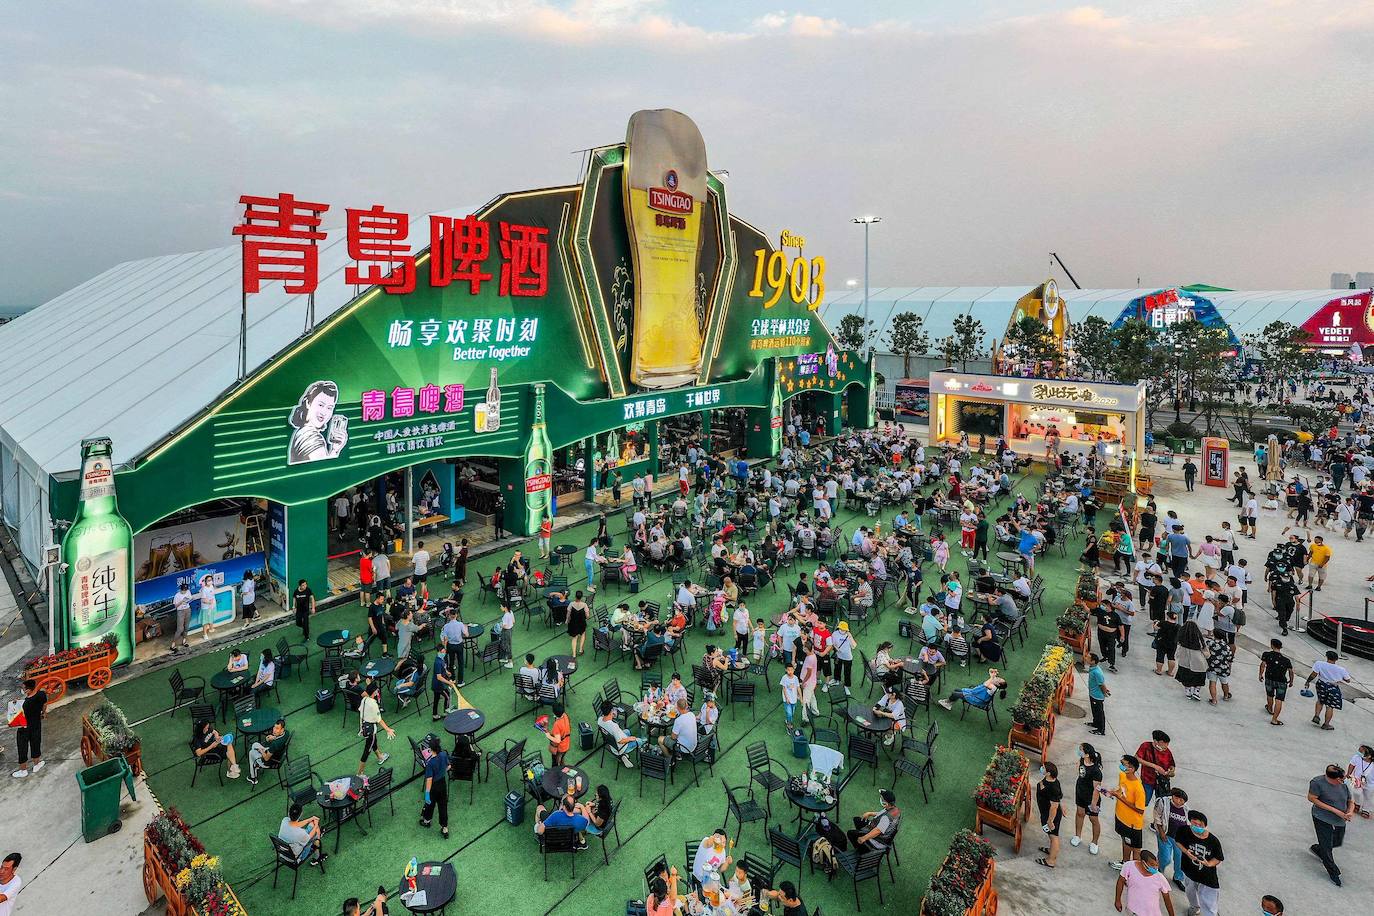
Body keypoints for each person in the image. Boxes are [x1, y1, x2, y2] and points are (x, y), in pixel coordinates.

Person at [1307, 763, 1354, 886]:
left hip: (1340, 819)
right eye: (1341, 779)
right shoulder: (1317, 783)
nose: (1343, 781)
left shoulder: (1344, 784)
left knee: (1337, 841)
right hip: (1322, 818)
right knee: (1327, 847)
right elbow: (1311, 798)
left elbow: (1350, 800)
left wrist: (1349, 811)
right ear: (1333, 778)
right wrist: (1335, 810)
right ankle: (1333, 872)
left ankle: (1319, 849)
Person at [1177, 811, 1223, 916]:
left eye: (1200, 825)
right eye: (1194, 824)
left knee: (1209, 903)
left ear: (1205, 825)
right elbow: (1178, 842)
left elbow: (1218, 858)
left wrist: (1208, 864)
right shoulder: (1183, 830)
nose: (1196, 826)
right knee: (1190, 892)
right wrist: (1186, 852)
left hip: (1207, 877)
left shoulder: (1213, 841)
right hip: (1189, 871)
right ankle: (1194, 908)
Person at [1109, 754, 1147, 870]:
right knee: (1125, 841)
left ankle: (1134, 871)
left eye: (1123, 764)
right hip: (1121, 817)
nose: (1121, 766)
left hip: (1132, 824)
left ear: (1132, 769)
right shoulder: (1122, 775)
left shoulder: (1138, 789)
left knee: (1135, 849)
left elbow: (1140, 810)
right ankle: (1125, 863)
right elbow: (1121, 790)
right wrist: (1112, 792)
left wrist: (1119, 798)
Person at [1114, 850, 1174, 916]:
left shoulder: (1160, 878)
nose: (1155, 867)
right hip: (1132, 911)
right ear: (1143, 862)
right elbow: (1120, 881)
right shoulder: (1129, 866)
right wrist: (1117, 900)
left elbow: (1167, 899)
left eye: (1156, 865)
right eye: (1152, 865)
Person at [1304, 649, 1353, 730]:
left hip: (1321, 684)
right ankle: (1326, 724)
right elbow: (1348, 680)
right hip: (1333, 687)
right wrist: (1341, 678)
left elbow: (1314, 674)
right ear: (1336, 659)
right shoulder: (1341, 669)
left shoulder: (1319, 663)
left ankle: (1316, 716)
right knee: (1330, 706)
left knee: (1320, 700)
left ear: (1327, 657)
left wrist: (1307, 681)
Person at [1071, 743, 1104, 855]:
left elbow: (1096, 789)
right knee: (1080, 813)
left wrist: (1093, 804)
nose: (1079, 751)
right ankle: (1077, 836)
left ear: (1087, 753)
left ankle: (1094, 842)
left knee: (1093, 819)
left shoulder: (1096, 771)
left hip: (1091, 798)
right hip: (1080, 793)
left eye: (1081, 750)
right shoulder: (1081, 761)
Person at [355, 683, 394, 777]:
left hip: (364, 726)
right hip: (370, 730)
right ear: (374, 692)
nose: (378, 691)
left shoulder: (364, 699)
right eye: (376, 690)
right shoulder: (373, 704)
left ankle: (380, 757)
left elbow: (361, 712)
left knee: (373, 742)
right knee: (366, 751)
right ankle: (359, 774)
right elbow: (379, 719)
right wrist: (388, 729)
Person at [10, 679, 46, 778]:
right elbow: (44, 705)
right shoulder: (41, 695)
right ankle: (36, 765)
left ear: (28, 690)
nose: (23, 690)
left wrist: (15, 703)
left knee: (22, 747)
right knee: (36, 743)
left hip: (24, 728)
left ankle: (23, 770)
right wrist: (43, 713)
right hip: (36, 724)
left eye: (24, 688)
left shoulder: (25, 704)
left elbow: (18, 715)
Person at [847, 788, 901, 853]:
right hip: (880, 830)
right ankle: (861, 834)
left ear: (886, 803)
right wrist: (870, 813)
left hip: (878, 840)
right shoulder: (895, 809)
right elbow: (882, 814)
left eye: (882, 799)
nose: (880, 799)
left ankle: (862, 851)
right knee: (857, 820)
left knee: (850, 833)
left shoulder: (886, 818)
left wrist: (864, 838)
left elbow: (877, 831)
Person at [419, 734, 451, 838]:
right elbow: (448, 766)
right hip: (442, 783)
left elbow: (429, 780)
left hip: (433, 786)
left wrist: (427, 793)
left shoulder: (430, 763)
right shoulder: (443, 754)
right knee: (443, 806)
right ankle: (445, 828)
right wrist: (441, 772)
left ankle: (427, 820)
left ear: (431, 749)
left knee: (430, 804)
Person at [1258, 639, 1294, 726]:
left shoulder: (1266, 654)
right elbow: (1291, 671)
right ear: (1280, 647)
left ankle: (1270, 709)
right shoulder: (1286, 660)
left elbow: (1263, 664)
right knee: (1279, 700)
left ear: (1272, 645)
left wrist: (1260, 674)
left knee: (1270, 695)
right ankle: (1274, 719)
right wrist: (1291, 681)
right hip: (1281, 681)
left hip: (1269, 679)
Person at [1035, 761, 1064, 868]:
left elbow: (1054, 805)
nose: (1041, 768)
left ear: (1048, 773)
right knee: (1051, 835)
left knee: (1054, 836)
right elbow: (1058, 799)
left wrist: (1050, 820)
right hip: (1046, 813)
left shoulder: (1053, 787)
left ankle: (1051, 861)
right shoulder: (1052, 781)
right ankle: (1051, 850)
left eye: (1043, 768)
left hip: (1051, 815)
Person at [937, 669, 1007, 711]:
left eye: (999, 680)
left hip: (977, 699)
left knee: (955, 693)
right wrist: (992, 674)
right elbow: (990, 671)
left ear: (998, 684)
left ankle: (948, 703)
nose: (997, 678)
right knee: (956, 690)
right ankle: (950, 703)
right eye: (999, 678)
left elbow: (985, 684)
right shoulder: (993, 684)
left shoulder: (993, 687)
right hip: (976, 694)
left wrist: (992, 677)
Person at [1135, 731, 1175, 805]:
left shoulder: (1167, 751)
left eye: (1167, 743)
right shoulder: (1146, 746)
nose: (1166, 745)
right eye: (1164, 743)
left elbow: (1172, 764)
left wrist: (1171, 770)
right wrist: (1155, 766)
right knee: (1144, 801)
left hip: (1162, 782)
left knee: (1162, 803)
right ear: (1156, 741)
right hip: (1148, 780)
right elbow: (1137, 758)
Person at [245, 717, 288, 785]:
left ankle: (253, 777)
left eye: (277, 728)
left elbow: (266, 758)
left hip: (270, 762)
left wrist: (261, 751)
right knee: (255, 744)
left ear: (282, 729)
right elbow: (278, 738)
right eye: (274, 727)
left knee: (251, 753)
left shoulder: (275, 744)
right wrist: (274, 737)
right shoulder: (286, 733)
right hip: (277, 754)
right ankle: (256, 765)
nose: (274, 730)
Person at [597, 702, 641, 768]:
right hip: (620, 748)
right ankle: (622, 754)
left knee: (627, 731)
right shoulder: (614, 726)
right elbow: (620, 741)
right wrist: (630, 739)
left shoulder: (599, 720)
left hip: (612, 743)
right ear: (611, 711)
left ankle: (623, 756)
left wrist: (611, 716)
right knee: (639, 740)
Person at [440, 609, 467, 689]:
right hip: (459, 645)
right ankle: (460, 681)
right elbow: (466, 634)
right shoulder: (460, 624)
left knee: (451, 663)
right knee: (460, 662)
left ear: (449, 616)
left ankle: (452, 679)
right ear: (456, 615)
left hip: (450, 645)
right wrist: (465, 628)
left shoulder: (446, 626)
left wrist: (445, 648)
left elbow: (445, 638)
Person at [1348, 744, 1374, 817]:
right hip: (1357, 780)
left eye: (1361, 752)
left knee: (1368, 796)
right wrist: (1349, 774)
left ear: (1369, 756)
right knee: (1356, 793)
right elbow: (1351, 765)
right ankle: (1357, 803)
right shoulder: (1356, 757)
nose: (1359, 753)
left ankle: (1366, 809)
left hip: (1370, 783)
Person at [1087, 653, 1110, 736]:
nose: (1086, 658)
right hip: (1093, 694)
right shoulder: (1093, 668)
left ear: (1093, 661)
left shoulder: (1097, 672)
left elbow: (1101, 684)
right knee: (1094, 711)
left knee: (1099, 713)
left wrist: (1105, 692)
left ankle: (1101, 730)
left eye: (1088, 658)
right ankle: (1095, 723)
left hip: (1097, 697)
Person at [546, 701, 571, 768]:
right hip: (566, 743)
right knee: (562, 760)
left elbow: (557, 740)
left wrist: (548, 735)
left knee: (555, 763)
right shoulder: (565, 715)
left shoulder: (557, 724)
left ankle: (555, 776)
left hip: (560, 748)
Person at [567, 590, 590, 658]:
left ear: (575, 596)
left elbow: (568, 615)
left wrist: (567, 621)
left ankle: (574, 654)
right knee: (583, 634)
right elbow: (587, 616)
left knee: (574, 638)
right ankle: (580, 650)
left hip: (573, 623)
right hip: (581, 623)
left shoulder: (571, 604)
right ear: (581, 597)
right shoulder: (584, 605)